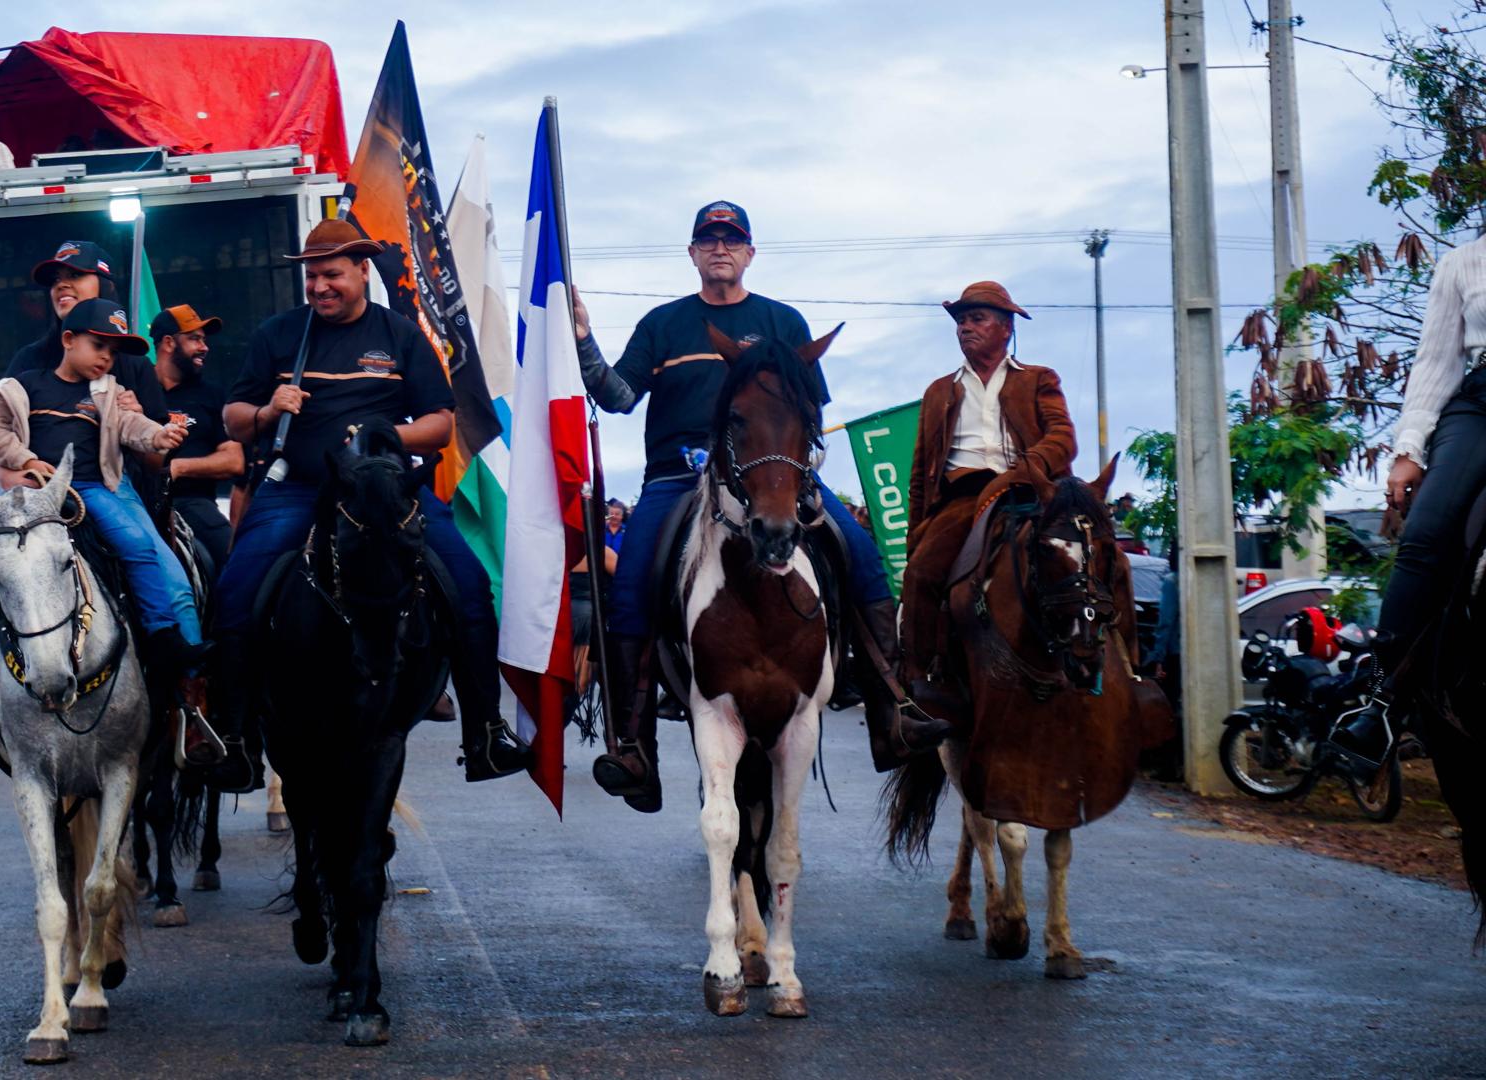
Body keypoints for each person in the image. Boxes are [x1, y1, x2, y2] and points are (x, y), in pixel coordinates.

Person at [571, 201, 933, 812]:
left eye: (732, 240)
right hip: (677, 477)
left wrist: (789, 466)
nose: (721, 249)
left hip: (773, 474)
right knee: (630, 583)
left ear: (749, 253)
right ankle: (633, 747)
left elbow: (810, 408)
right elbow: (619, 397)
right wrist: (584, 341)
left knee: (861, 554)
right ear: (692, 253)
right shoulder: (663, 323)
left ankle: (892, 711)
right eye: (709, 240)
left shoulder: (783, 322)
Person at [211, 218, 532, 791]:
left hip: (386, 493)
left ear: (363, 271)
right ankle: (234, 739)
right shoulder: (278, 335)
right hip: (298, 488)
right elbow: (234, 419)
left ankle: (484, 730)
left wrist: (385, 433)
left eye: (332, 274)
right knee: (235, 591)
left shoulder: (400, 334)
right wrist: (268, 410)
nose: (320, 287)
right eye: (312, 276)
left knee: (468, 585)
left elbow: (440, 425)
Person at [0, 298, 214, 780]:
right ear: (68, 340)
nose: (107, 357)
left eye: (113, 350)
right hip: (31, 497)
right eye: (99, 345)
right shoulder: (19, 387)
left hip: (95, 491)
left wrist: (158, 436)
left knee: (143, 550)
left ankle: (171, 658)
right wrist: (27, 461)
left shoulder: (108, 391)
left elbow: (132, 427)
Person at [900, 282, 1103, 699]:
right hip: (963, 498)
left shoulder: (1039, 378)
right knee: (920, 574)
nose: (965, 327)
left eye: (977, 319)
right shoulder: (939, 391)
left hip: (1032, 490)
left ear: (1006, 328)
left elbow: (1063, 438)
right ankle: (918, 686)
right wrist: (916, 533)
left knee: (1103, 558)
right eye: (961, 321)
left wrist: (1026, 469)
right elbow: (920, 474)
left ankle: (1129, 666)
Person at [1334, 235, 1486, 776]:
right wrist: (1409, 449)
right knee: (1426, 534)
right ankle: (1383, 703)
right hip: (1480, 406)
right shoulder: (1462, 263)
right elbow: (1436, 364)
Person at [4, 240, 169, 422]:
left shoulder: (137, 366)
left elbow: (161, 438)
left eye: (75, 275)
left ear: (106, 285)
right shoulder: (29, 359)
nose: (61, 285)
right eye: (55, 279)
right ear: (68, 340)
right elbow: (1, 427)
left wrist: (140, 421)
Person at [151, 304, 240, 568]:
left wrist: (178, 468)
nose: (204, 347)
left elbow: (234, 460)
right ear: (168, 343)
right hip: (140, 501)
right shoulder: (136, 388)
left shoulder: (211, 394)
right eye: (194, 339)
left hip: (193, 503)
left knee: (237, 565)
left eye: (204, 340)